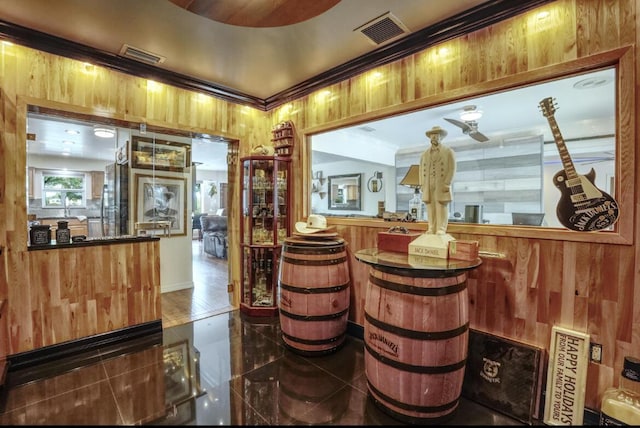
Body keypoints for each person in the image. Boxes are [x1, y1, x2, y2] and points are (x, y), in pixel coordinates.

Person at [419, 125, 456, 235]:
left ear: (441, 137)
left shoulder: (448, 151)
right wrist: (422, 184)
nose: (434, 138)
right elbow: (421, 170)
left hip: (441, 184)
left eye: (436, 135)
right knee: (430, 206)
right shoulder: (424, 154)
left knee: (441, 205)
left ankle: (441, 228)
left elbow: (452, 168)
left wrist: (447, 183)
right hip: (428, 184)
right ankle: (431, 227)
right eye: (432, 136)